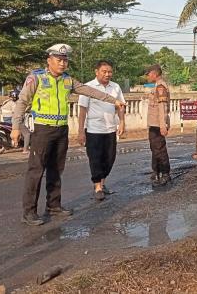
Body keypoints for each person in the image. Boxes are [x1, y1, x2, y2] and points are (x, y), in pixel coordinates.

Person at [11, 44, 125, 226]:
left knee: (56, 169)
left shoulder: (67, 81)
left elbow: (91, 92)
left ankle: (54, 206)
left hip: (61, 130)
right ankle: (29, 212)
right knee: (36, 171)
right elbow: (22, 102)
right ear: (49, 61)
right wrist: (15, 127)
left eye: (65, 60)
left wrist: (114, 101)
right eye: (59, 60)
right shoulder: (37, 78)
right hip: (42, 129)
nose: (63, 64)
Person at [77, 60, 125, 201]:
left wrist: (122, 122)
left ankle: (103, 184)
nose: (107, 74)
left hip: (110, 129)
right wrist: (80, 131)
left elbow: (120, 106)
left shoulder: (115, 87)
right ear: (96, 71)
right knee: (95, 159)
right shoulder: (88, 87)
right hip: (93, 130)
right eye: (104, 71)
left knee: (109, 158)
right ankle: (97, 186)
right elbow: (82, 110)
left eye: (109, 71)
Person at [144, 64, 171, 187]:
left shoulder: (160, 87)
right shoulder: (156, 86)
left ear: (154, 74)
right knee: (155, 149)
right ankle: (156, 171)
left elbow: (162, 107)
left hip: (158, 124)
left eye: (148, 74)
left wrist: (163, 125)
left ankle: (165, 173)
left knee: (160, 149)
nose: (147, 76)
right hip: (154, 124)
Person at [1, 89, 31, 154]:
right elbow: (17, 113)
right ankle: (25, 149)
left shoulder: (6, 101)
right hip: (14, 120)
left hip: (6, 118)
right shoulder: (14, 104)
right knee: (27, 134)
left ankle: (16, 143)